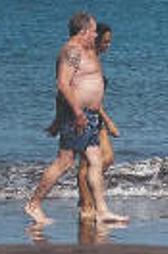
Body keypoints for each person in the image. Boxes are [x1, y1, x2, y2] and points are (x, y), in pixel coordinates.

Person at [25, 11, 127, 225]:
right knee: (65, 162)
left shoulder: (85, 50)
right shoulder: (71, 51)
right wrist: (76, 113)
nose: (95, 35)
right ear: (83, 31)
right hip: (77, 116)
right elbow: (63, 84)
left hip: (89, 116)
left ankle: (101, 210)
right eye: (92, 31)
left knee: (95, 161)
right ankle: (33, 204)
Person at [47, 22, 120, 221]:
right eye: (105, 41)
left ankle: (92, 204)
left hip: (94, 116)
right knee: (84, 164)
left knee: (104, 159)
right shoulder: (81, 56)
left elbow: (95, 96)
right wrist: (58, 119)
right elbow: (64, 89)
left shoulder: (93, 59)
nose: (108, 46)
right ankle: (86, 205)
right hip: (83, 116)